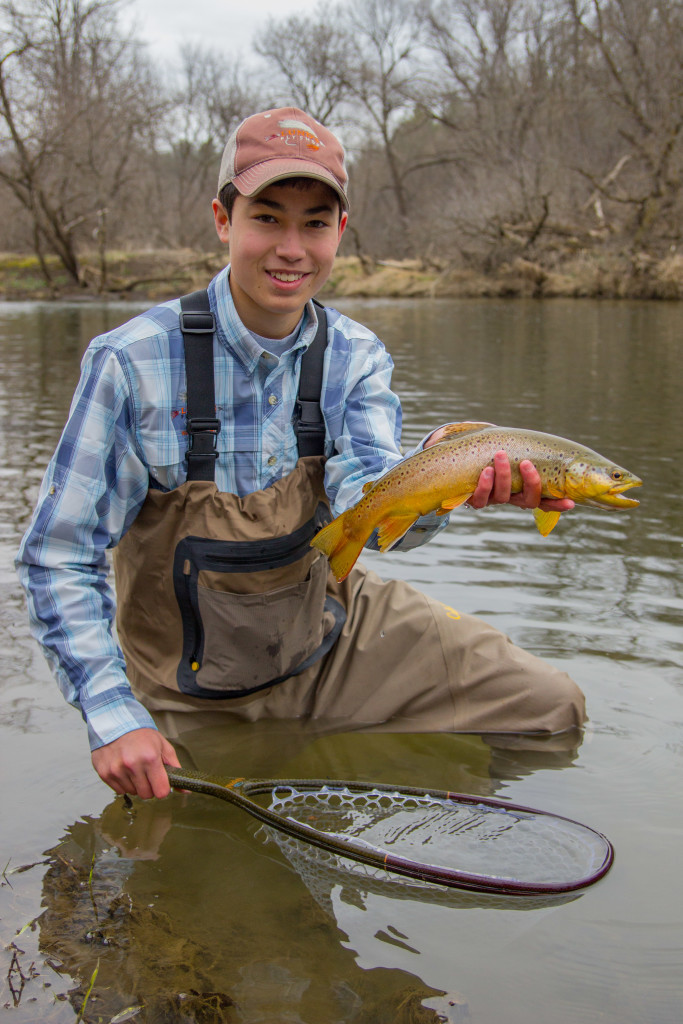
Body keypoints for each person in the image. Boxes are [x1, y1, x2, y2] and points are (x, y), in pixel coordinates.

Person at [16, 107, 584, 801]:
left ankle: (377, 785)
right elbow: (58, 555)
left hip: (331, 634)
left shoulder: (354, 356)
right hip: (187, 687)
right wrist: (110, 715)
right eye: (267, 218)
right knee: (208, 859)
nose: (291, 247)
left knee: (551, 711)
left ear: (339, 233)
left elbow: (370, 513)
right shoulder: (131, 363)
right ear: (223, 220)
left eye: (314, 223)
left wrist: (446, 474)